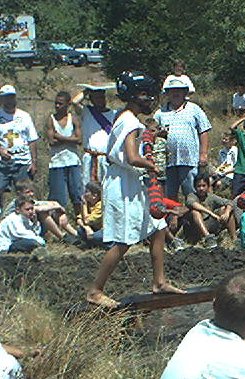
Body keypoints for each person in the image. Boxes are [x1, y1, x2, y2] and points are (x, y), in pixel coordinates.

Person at [87, 71, 185, 308]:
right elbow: (132, 156)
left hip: (129, 181)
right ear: (132, 96)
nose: (149, 99)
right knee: (123, 240)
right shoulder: (130, 122)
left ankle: (159, 281)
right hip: (123, 185)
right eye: (144, 94)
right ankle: (95, 290)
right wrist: (150, 164)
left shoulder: (127, 118)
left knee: (158, 227)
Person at [154, 78, 212, 200]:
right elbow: (151, 133)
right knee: (169, 196)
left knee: (192, 195)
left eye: (179, 90)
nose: (176, 93)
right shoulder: (160, 113)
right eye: (172, 91)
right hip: (168, 162)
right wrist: (159, 133)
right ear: (168, 94)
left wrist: (203, 154)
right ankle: (173, 218)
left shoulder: (194, 109)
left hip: (190, 160)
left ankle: (194, 218)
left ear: (185, 92)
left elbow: (204, 130)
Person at [2, 179, 79, 244]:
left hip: (32, 227)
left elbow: (53, 203)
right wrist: (56, 206)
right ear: (19, 193)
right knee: (43, 213)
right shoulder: (15, 204)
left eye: (32, 191)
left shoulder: (32, 201)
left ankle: (75, 234)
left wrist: (58, 207)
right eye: (28, 192)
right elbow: (38, 209)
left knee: (56, 211)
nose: (31, 194)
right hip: (18, 231)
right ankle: (62, 237)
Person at [0, 84, 39, 212]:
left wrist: (34, 162)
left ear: (15, 97)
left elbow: (32, 139)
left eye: (11, 97)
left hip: (23, 161)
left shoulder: (25, 116)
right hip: (4, 163)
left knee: (25, 192)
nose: (9, 100)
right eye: (6, 97)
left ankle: (26, 216)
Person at [46, 91, 83, 216]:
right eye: (56, 103)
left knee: (77, 195)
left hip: (73, 161)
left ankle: (81, 222)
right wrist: (69, 139)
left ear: (67, 104)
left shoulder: (74, 119)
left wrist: (59, 136)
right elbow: (52, 141)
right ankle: (59, 226)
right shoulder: (51, 119)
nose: (57, 106)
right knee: (58, 198)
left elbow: (79, 140)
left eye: (60, 104)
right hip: (57, 163)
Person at [72, 85, 117, 186]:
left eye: (101, 97)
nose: (100, 100)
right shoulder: (87, 112)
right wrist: (88, 90)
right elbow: (75, 102)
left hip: (106, 159)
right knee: (88, 189)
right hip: (90, 158)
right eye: (96, 98)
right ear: (91, 100)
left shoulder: (114, 114)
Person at [185, 173, 236, 248]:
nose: (201, 188)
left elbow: (229, 202)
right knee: (195, 212)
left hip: (210, 224)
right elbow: (192, 203)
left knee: (225, 209)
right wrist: (211, 214)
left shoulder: (211, 197)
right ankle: (208, 238)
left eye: (204, 186)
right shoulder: (192, 196)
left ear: (208, 186)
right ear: (195, 187)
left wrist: (227, 213)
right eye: (199, 186)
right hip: (195, 227)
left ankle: (234, 239)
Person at [76, 181, 111, 249]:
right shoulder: (89, 204)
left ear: (94, 195)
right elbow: (79, 219)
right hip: (94, 228)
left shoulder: (100, 205)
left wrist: (84, 204)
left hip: (105, 230)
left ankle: (109, 245)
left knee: (96, 236)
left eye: (87, 192)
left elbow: (86, 221)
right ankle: (93, 244)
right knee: (80, 230)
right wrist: (87, 228)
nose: (84, 195)